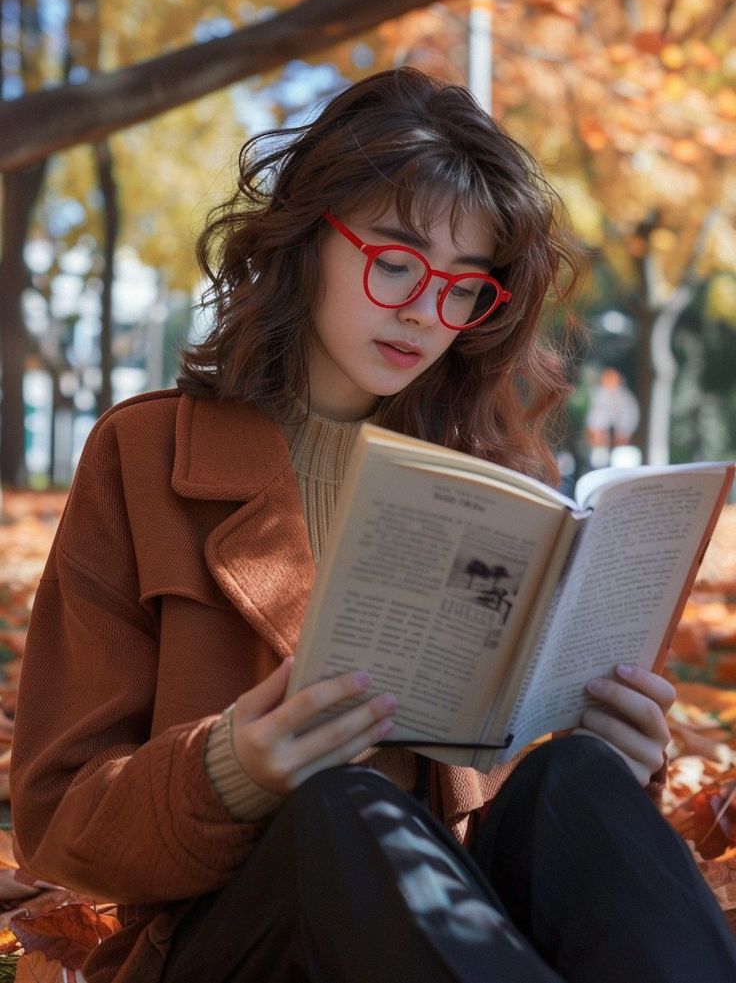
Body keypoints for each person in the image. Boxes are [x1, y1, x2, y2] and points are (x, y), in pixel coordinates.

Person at [9, 68, 736, 983]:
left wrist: (618, 751)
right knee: (341, 807)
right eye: (396, 261)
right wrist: (230, 768)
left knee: (578, 783)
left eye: (466, 287)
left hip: (453, 934)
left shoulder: (495, 482)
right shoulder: (149, 455)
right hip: (241, 940)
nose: (426, 310)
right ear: (308, 237)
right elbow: (55, 822)